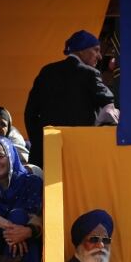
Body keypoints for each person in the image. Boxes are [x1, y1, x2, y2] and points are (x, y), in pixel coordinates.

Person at [24, 30, 116, 167]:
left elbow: (30, 113)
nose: (100, 56)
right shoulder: (90, 74)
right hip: (79, 153)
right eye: (96, 50)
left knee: (44, 188)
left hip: (45, 153)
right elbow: (109, 109)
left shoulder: (46, 71)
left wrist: (39, 141)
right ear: (81, 50)